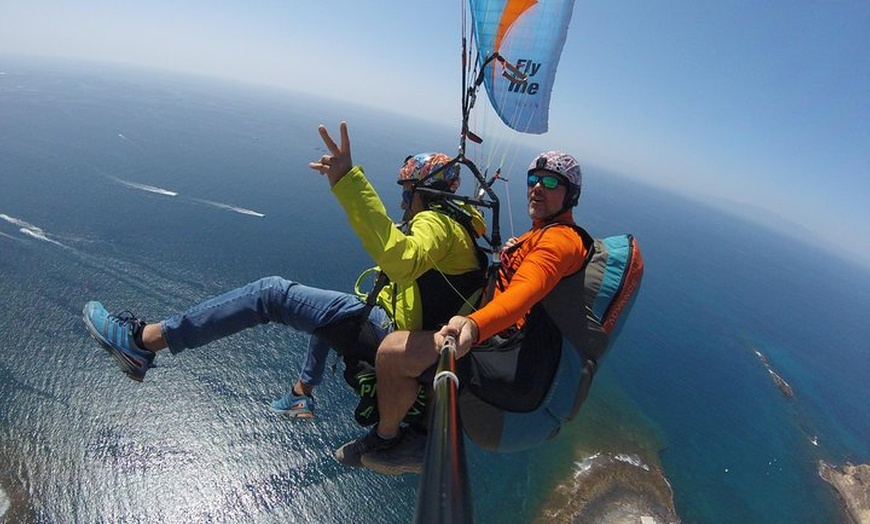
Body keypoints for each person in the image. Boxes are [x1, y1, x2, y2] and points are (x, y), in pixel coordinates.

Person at [82, 121, 486, 421]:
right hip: (397, 323)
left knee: (270, 294)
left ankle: (144, 341)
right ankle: (301, 392)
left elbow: (400, 261)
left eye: (405, 192)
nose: (402, 203)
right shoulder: (460, 224)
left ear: (423, 191)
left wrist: (347, 181)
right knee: (325, 308)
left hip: (391, 329)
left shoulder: (438, 223)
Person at [333, 150, 589, 473]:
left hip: (508, 352)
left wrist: (474, 325)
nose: (538, 187)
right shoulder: (542, 235)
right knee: (431, 333)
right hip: (507, 342)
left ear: (572, 195)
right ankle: (422, 433)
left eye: (552, 182)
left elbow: (523, 295)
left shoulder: (558, 242)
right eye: (533, 180)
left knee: (394, 351)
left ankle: (386, 439)